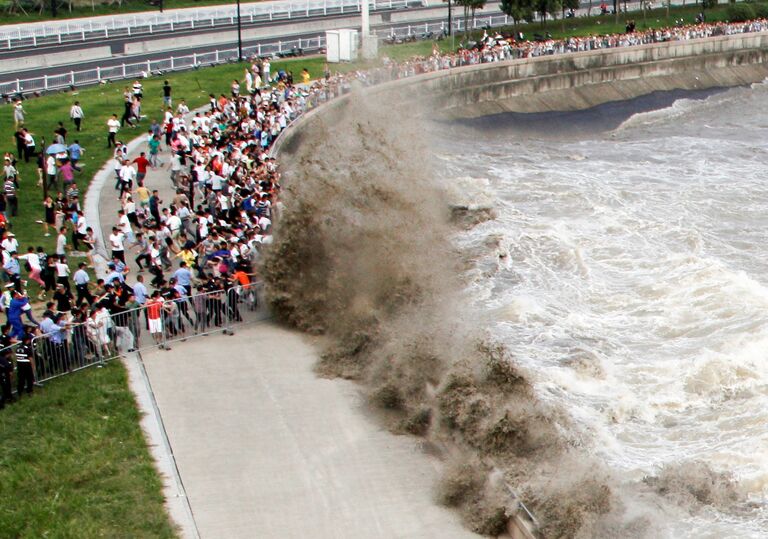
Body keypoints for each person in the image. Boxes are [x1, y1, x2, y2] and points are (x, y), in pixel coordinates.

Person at [14, 333, 34, 398]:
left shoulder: (18, 347)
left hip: (19, 364)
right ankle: (29, 391)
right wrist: (33, 366)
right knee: (29, 378)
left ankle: (20, 391)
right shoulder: (27, 348)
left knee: (21, 379)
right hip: (26, 364)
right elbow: (30, 358)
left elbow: (16, 356)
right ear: (27, 340)